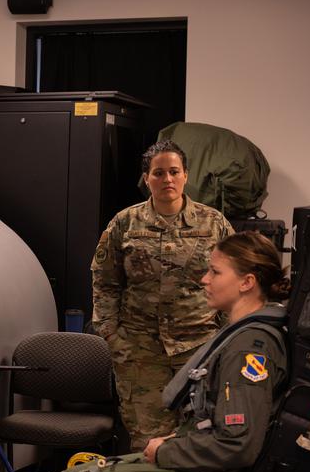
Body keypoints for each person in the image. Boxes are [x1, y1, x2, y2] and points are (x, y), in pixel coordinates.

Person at [47, 232, 290, 472]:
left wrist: (166, 452)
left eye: (215, 272)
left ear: (246, 282)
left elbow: (238, 445)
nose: (204, 280)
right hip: (204, 471)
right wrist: (173, 442)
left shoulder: (248, 349)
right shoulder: (243, 334)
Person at [92, 139, 235, 451]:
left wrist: (225, 336)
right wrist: (111, 335)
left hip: (199, 346)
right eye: (159, 173)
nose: (167, 179)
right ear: (147, 179)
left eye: (174, 171)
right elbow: (105, 281)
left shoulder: (214, 224)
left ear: (185, 175)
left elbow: (233, 283)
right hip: (140, 350)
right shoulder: (125, 223)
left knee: (202, 433)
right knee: (146, 440)